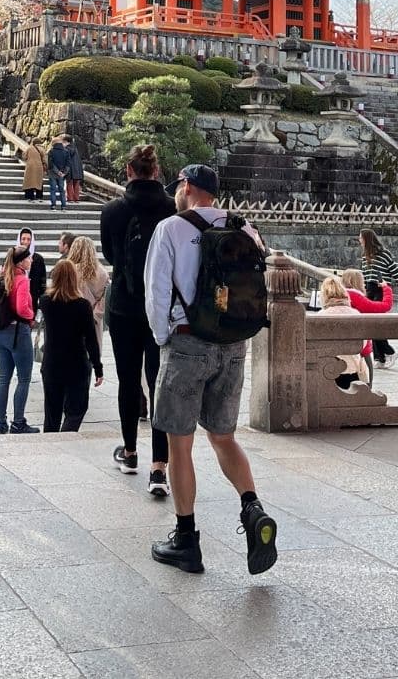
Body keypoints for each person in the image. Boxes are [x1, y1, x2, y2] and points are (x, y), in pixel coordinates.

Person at [144, 163, 277, 576]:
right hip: (233, 344)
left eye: (178, 187)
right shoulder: (245, 228)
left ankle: (186, 539)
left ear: (186, 186)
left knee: (180, 444)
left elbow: (157, 291)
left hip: (188, 342)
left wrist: (164, 337)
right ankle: (252, 509)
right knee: (223, 437)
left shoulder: (170, 228)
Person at [99, 143, 173, 496]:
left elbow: (111, 255)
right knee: (159, 382)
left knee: (128, 380)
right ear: (156, 171)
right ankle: (159, 466)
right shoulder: (172, 210)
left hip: (125, 303)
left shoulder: (112, 211)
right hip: (161, 304)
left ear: (128, 171)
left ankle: (130, 451)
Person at [38, 259, 103, 432]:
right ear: (75, 278)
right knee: (76, 410)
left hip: (52, 363)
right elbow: (91, 339)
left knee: (52, 412)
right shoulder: (83, 306)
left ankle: (51, 441)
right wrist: (98, 367)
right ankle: (67, 437)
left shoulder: (45, 302)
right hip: (76, 363)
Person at [0, 245, 39, 435]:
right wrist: (31, 316)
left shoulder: (3, 278)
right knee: (24, 378)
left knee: (4, 378)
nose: (31, 260)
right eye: (29, 258)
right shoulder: (22, 280)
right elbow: (21, 307)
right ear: (21, 262)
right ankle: (18, 422)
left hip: (0, 332)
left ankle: (0, 422)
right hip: (18, 332)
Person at [359, 228, 398, 368]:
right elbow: (364, 275)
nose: (359, 240)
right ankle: (379, 357)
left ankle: (389, 352)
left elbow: (395, 271)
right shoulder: (364, 256)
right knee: (370, 324)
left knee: (376, 323)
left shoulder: (384, 254)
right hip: (369, 289)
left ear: (366, 239)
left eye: (361, 238)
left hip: (381, 289)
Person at [341, 268, 393, 390]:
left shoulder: (338, 295)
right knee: (367, 369)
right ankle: (367, 389)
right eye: (362, 281)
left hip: (339, 342)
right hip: (359, 343)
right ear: (356, 282)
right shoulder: (355, 296)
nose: (364, 284)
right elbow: (385, 306)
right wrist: (386, 288)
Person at [320, 275, 370, 389]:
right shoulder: (356, 314)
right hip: (353, 368)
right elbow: (363, 344)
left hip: (329, 369)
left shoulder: (321, 316)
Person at [66, 235, 109, 354]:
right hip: (93, 321)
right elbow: (105, 298)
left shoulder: (69, 270)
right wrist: (95, 315)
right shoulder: (102, 272)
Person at [18, 227, 47, 312]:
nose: (26, 242)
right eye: (23, 239)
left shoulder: (38, 259)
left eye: (28, 239)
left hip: (33, 298)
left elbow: (43, 281)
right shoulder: (12, 257)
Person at [47, 136, 71, 209]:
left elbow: (51, 163)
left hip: (53, 173)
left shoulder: (51, 151)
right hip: (62, 174)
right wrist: (64, 173)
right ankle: (63, 206)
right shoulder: (66, 151)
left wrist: (57, 172)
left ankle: (53, 205)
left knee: (53, 190)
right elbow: (68, 164)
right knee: (62, 190)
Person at [64, 136, 84, 203]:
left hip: (69, 169)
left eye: (64, 142)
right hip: (77, 169)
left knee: (69, 184)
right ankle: (77, 199)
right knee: (76, 184)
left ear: (66, 142)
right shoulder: (76, 149)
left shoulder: (66, 149)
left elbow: (66, 160)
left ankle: (70, 198)